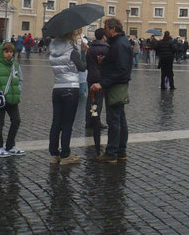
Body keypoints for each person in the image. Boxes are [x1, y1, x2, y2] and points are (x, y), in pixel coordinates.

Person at [91, 17, 133, 163]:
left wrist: (103, 84)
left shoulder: (119, 44)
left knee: (114, 120)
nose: (105, 31)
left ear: (113, 29)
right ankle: (121, 151)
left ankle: (112, 152)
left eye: (106, 28)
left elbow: (121, 69)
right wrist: (106, 61)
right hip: (118, 84)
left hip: (115, 86)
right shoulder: (119, 43)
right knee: (120, 119)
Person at [48, 28, 86, 165]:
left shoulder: (52, 53)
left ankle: (53, 155)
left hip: (57, 88)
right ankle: (65, 155)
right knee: (67, 124)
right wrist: (84, 52)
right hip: (71, 88)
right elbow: (82, 67)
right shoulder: (72, 52)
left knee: (56, 122)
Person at [0, 42, 25, 157]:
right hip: (1, 100)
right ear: (1, 53)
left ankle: (10, 145)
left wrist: (18, 90)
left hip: (13, 99)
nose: (9, 54)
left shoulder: (16, 66)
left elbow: (20, 80)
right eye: (6, 52)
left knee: (16, 121)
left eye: (11, 52)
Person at [85, 28, 108, 154]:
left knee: (90, 99)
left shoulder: (90, 48)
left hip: (91, 76)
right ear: (104, 36)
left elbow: (86, 64)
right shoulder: (106, 48)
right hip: (101, 77)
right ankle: (96, 121)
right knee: (99, 100)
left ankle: (88, 120)